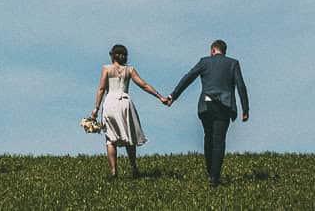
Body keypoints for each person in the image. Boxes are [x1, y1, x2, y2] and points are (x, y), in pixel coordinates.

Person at [164, 39, 248, 186]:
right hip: (224, 105)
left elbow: (188, 78)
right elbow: (241, 86)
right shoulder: (233, 63)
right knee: (219, 141)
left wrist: (173, 96)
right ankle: (214, 177)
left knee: (208, 137)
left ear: (212, 50)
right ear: (224, 51)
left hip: (207, 104)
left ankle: (211, 172)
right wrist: (245, 109)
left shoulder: (204, 62)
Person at [90, 43, 165, 178]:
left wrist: (96, 108)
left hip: (111, 103)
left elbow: (101, 89)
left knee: (110, 138)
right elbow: (144, 85)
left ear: (112, 55)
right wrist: (159, 96)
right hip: (125, 103)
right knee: (129, 136)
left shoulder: (106, 69)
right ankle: (134, 167)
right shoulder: (129, 70)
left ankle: (113, 171)